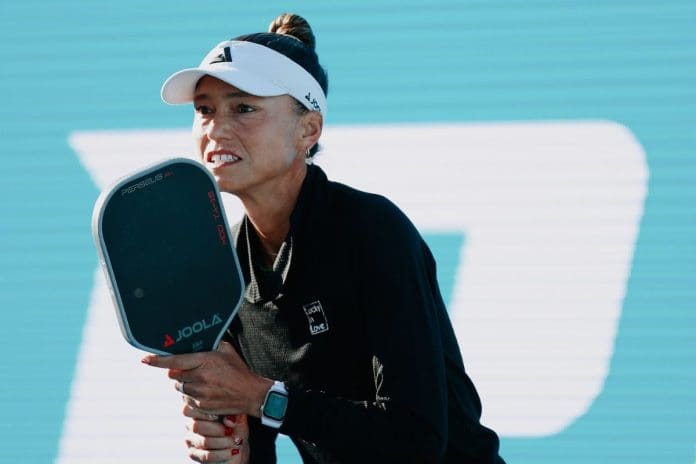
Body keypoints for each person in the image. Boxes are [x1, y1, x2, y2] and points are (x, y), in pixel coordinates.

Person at [142, 12, 506, 464]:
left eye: (244, 108)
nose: (216, 128)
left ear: (308, 129)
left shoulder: (372, 230)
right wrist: (232, 451)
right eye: (205, 110)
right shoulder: (227, 270)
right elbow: (263, 445)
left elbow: (415, 438)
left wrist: (259, 397)